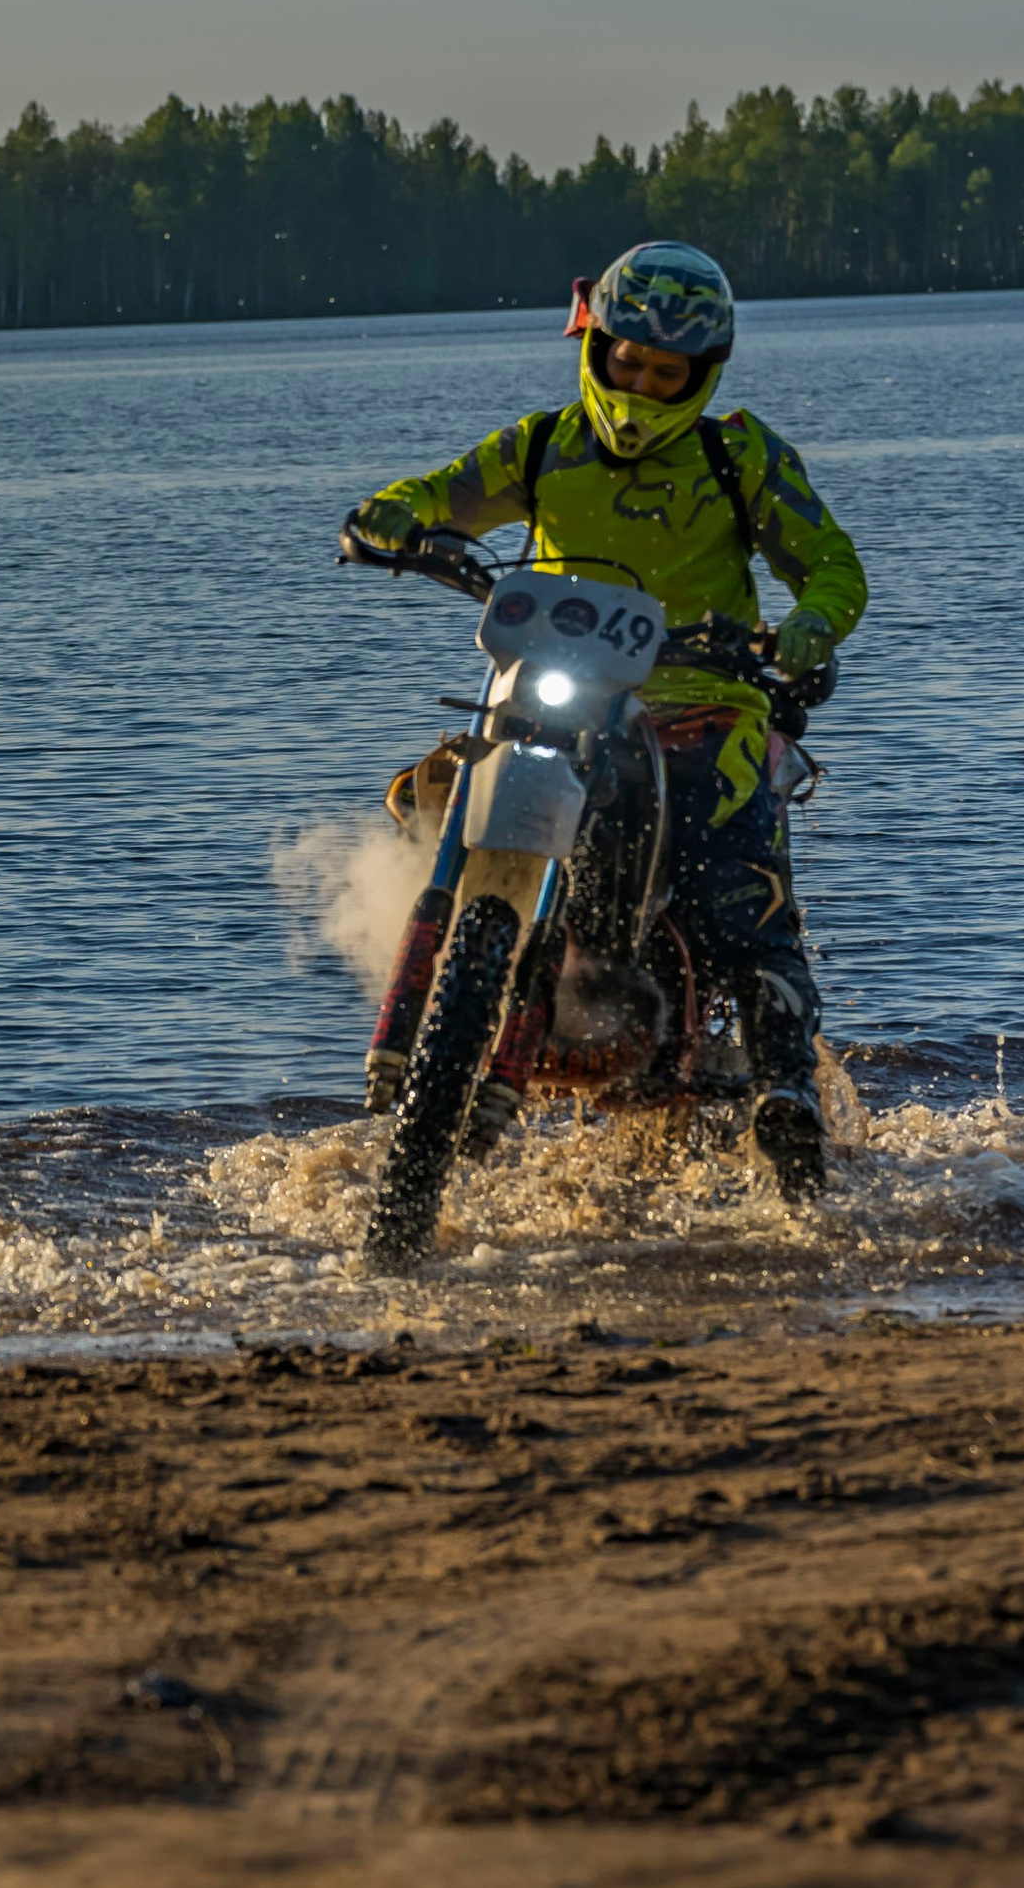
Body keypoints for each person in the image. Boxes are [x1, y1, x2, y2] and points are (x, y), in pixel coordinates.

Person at [347, 239, 866, 1198]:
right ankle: (438, 1018)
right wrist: (391, 515)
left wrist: (808, 626)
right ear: (597, 345)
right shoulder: (543, 444)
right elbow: (444, 495)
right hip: (554, 691)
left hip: (703, 706)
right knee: (426, 793)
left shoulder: (739, 453)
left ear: (702, 375)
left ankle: (786, 1090)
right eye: (629, 361)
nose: (642, 385)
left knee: (738, 890)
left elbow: (832, 564)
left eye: (667, 373)